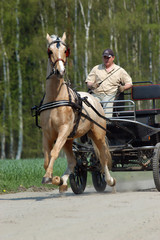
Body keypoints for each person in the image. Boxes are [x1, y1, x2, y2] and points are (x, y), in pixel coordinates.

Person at [85, 49, 133, 118]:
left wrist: (123, 88)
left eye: (108, 58)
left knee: (107, 103)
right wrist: (92, 85)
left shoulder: (119, 70)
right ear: (102, 58)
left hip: (110, 95)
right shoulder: (96, 68)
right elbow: (88, 83)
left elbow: (129, 83)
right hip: (96, 94)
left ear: (113, 58)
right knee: (87, 103)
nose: (106, 59)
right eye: (105, 57)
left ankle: (107, 124)